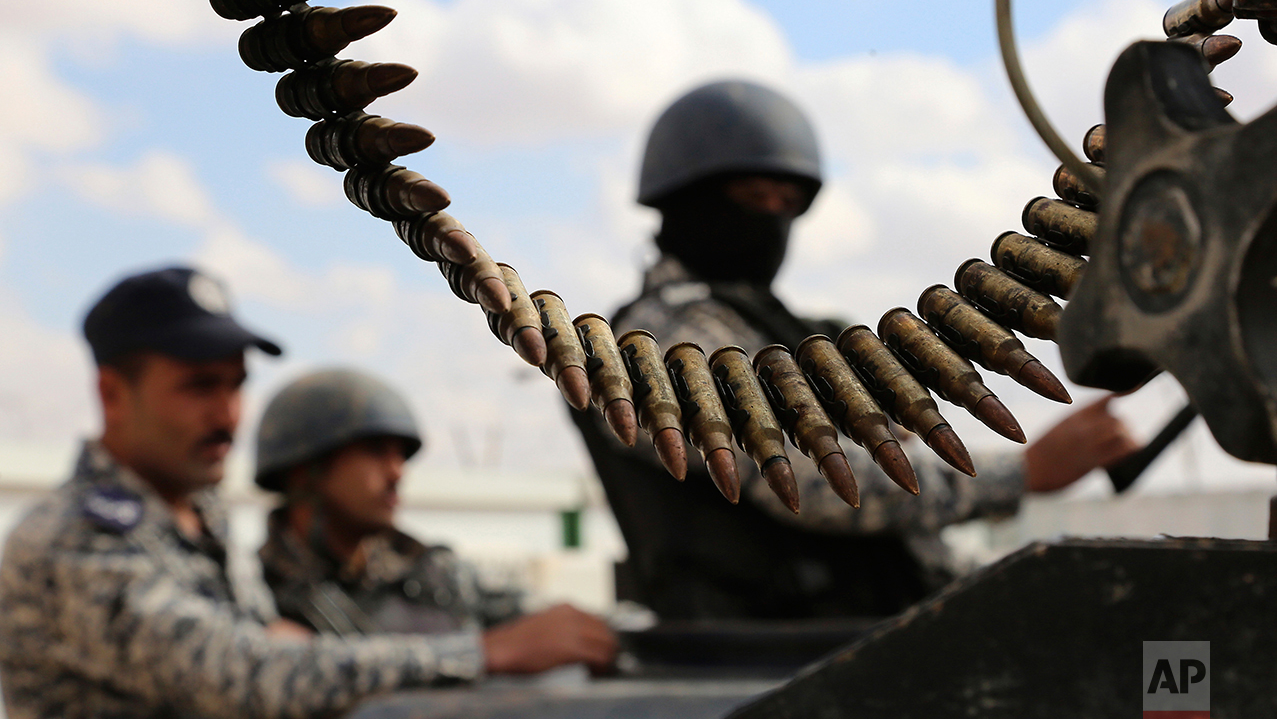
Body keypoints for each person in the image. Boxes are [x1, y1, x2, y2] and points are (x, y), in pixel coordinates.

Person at [569, 79, 1140, 621]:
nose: (769, 218)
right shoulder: (653, 341)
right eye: (749, 197)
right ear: (684, 201)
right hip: (767, 652)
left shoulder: (774, 330)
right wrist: (1022, 474)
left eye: (785, 202)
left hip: (859, 631)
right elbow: (806, 479)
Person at [0, 265, 612, 719]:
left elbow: (272, 648)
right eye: (199, 386)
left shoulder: (194, 518)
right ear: (112, 394)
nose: (228, 414)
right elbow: (245, 675)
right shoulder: (74, 542)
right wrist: (486, 652)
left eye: (237, 386)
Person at [253, 367, 617, 672]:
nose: (397, 473)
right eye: (376, 451)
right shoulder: (254, 593)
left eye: (401, 456)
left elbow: (538, 621)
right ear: (304, 472)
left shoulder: (433, 575)